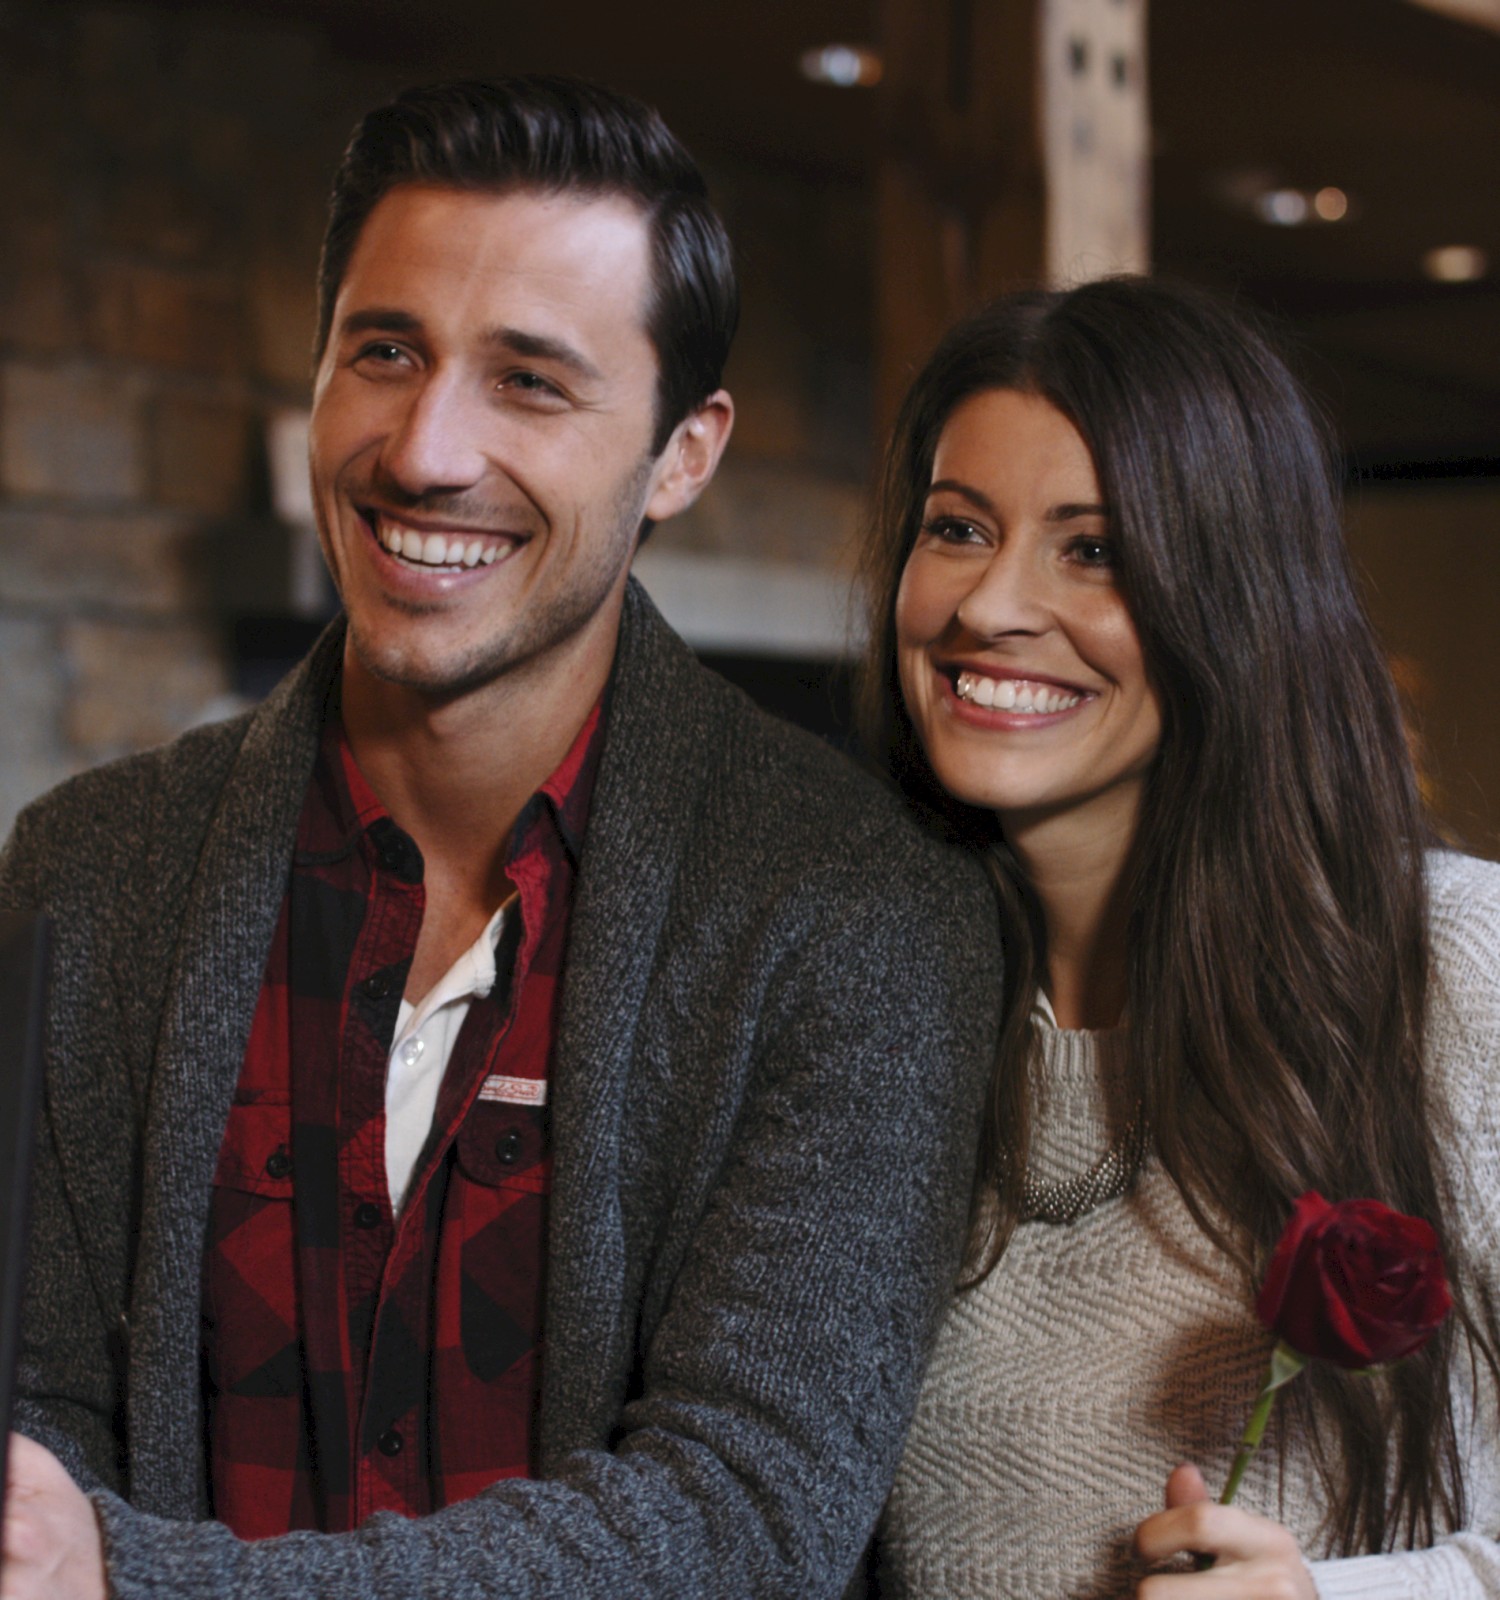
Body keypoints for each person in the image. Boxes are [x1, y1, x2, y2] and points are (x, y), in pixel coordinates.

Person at [0, 77, 1001, 1599]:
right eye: (385, 352)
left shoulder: (856, 908)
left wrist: (142, 1581)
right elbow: (35, 1440)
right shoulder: (88, 869)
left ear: (682, 453)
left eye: (531, 382)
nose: (426, 449)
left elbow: (743, 1518)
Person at [856, 277, 1500, 1597]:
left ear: (1237, 596)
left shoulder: (1454, 966)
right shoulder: (863, 1007)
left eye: (1091, 550)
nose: (989, 607)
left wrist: (1334, 1599)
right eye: (959, 529)